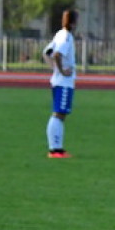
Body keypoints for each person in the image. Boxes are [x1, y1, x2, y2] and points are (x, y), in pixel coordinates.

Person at [45, 9, 78, 158]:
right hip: (64, 82)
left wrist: (53, 69)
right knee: (58, 114)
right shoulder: (66, 36)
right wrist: (62, 71)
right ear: (73, 21)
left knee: (61, 114)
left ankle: (57, 148)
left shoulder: (59, 34)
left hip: (60, 81)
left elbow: (47, 52)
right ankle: (54, 150)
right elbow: (57, 54)